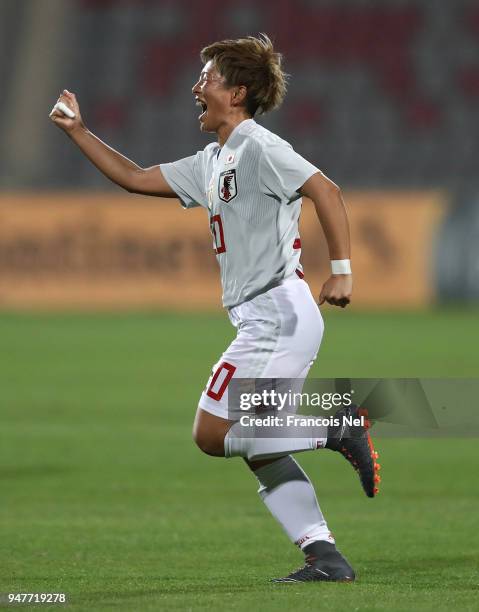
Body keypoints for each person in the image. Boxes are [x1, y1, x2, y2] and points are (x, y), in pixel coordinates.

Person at [50, 33, 380, 583]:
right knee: (259, 443)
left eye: (208, 78)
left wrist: (342, 270)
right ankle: (325, 557)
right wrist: (79, 132)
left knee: (213, 433)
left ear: (239, 92)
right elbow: (135, 178)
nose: (195, 87)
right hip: (272, 317)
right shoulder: (214, 161)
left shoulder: (258, 145)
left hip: (277, 314)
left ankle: (338, 428)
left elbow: (326, 190)